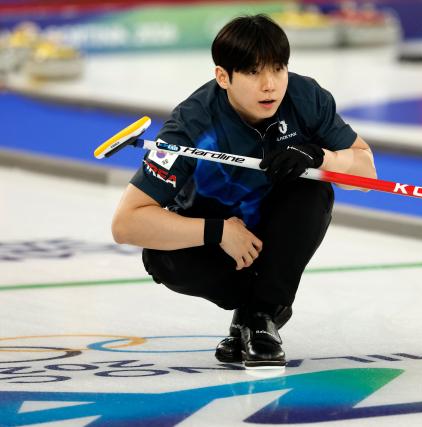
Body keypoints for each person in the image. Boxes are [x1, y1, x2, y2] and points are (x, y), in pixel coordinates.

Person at [111, 14, 376, 369]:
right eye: (253, 72)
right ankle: (258, 314)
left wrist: (321, 155)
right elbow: (125, 224)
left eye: (278, 68)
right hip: (213, 240)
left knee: (314, 190)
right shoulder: (189, 125)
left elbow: (365, 172)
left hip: (274, 227)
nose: (270, 85)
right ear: (224, 76)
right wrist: (219, 231)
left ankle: (259, 315)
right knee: (161, 258)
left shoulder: (306, 97)